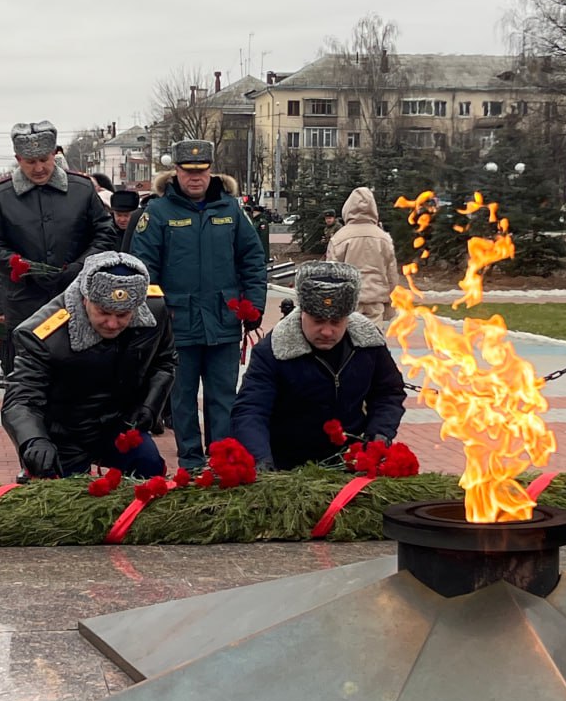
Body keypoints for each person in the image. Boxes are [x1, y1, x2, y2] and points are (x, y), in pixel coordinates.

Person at [130, 139, 267, 470]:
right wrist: (155, 316)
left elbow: (253, 259)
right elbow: (143, 270)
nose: (196, 178)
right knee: (182, 397)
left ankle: (221, 458)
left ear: (210, 171)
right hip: (177, 323)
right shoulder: (158, 213)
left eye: (202, 171)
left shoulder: (231, 210)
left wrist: (254, 305)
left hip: (223, 319)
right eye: (188, 171)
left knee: (224, 395)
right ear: (176, 172)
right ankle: (190, 460)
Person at [2, 252, 175, 480]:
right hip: (63, 433)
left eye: (123, 315)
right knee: (61, 493)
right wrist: (34, 441)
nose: (112, 323)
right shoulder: (42, 335)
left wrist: (150, 406)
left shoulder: (154, 310)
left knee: (150, 468)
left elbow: (165, 361)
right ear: (85, 299)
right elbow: (21, 399)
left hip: (120, 424)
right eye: (103, 312)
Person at [231, 261, 406, 470]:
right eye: (318, 321)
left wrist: (378, 436)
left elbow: (388, 392)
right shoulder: (274, 349)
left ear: (348, 318)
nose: (327, 331)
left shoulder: (368, 343)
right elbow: (251, 410)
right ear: (302, 313)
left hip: (350, 460)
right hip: (288, 465)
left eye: (336, 322)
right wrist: (261, 460)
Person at [0, 120, 115, 358]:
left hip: (78, 297)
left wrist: (82, 266)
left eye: (43, 160)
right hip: (25, 302)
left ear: (54, 154)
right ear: (18, 159)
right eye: (30, 162)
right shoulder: (1, 196)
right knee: (26, 372)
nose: (39, 168)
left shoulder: (81, 189)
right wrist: (21, 267)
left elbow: (105, 233)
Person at [326, 186, 398, 327]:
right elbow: (392, 275)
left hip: (348, 301)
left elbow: (331, 274)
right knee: (373, 336)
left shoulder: (340, 237)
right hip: (375, 301)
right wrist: (389, 301)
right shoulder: (383, 238)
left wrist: (331, 302)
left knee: (349, 337)